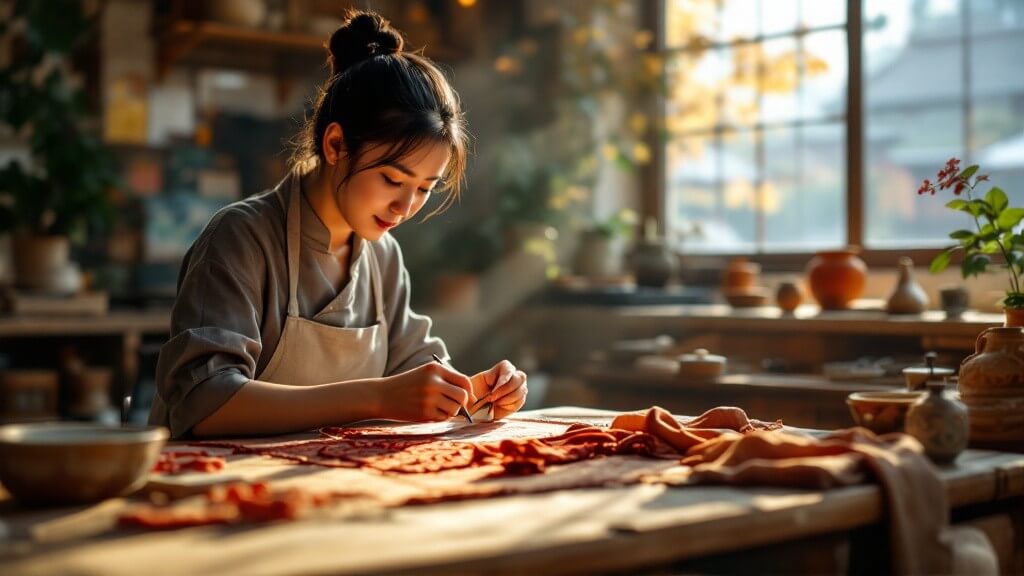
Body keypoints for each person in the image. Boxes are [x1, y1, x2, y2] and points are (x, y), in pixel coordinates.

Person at [149, 11, 527, 438]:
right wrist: (377, 398)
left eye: (424, 188)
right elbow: (204, 404)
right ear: (335, 145)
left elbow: (412, 370)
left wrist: (474, 394)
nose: (405, 206)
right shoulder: (241, 238)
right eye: (392, 179)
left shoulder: (382, 254)